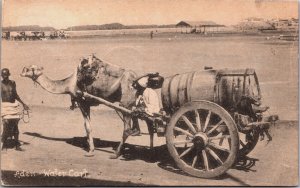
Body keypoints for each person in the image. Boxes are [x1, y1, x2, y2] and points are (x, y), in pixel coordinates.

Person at [1, 68, 29, 151]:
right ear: (1, 75)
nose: (4, 76)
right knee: (5, 125)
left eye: (6, 75)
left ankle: (17, 145)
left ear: (9, 75)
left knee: (15, 126)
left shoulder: (13, 83)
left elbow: (15, 94)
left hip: (13, 106)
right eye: (3, 75)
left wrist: (23, 104)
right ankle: (4, 144)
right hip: (5, 107)